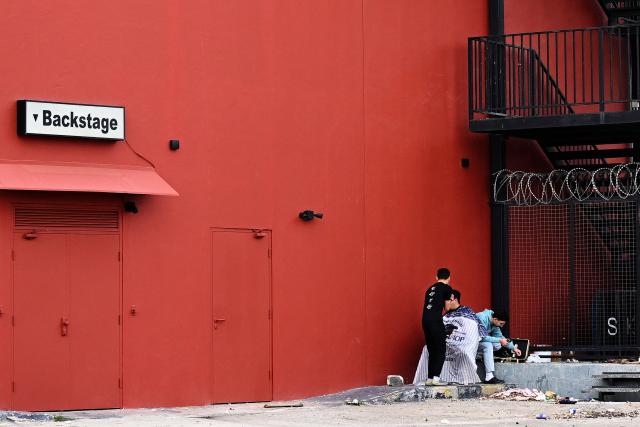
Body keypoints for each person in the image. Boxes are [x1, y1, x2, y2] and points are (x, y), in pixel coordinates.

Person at [439, 290, 487, 384]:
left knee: (463, 351)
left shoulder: (467, 312)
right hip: (448, 343)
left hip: (464, 343)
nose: (444, 304)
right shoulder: (445, 316)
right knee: (428, 349)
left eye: (446, 301)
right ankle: (437, 378)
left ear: (454, 300)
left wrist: (461, 341)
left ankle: (466, 379)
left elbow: (475, 330)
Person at [421, 268, 453, 385]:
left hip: (425, 320)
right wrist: (451, 299)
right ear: (449, 278)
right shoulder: (448, 288)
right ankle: (436, 378)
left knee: (432, 349)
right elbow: (447, 308)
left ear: (436, 277)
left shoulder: (430, 289)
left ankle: (429, 379)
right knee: (440, 349)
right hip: (436, 320)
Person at [475, 309, 521, 384]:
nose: (501, 326)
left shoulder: (494, 322)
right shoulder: (481, 317)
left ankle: (479, 355)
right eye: (501, 323)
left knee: (497, 344)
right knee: (488, 345)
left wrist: (514, 348)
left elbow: (500, 336)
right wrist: (499, 340)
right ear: (495, 319)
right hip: (469, 342)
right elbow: (482, 337)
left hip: (477, 342)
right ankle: (489, 377)